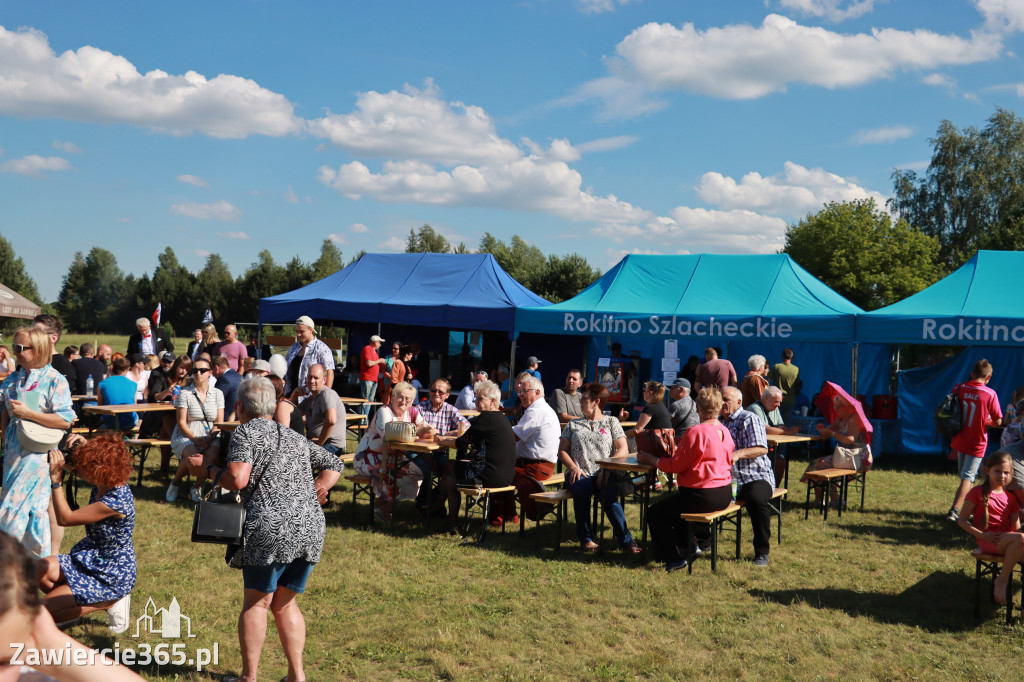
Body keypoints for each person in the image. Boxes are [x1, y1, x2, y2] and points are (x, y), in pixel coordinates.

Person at [186, 377, 344, 682]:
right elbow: (333, 463)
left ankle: (249, 678)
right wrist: (321, 486)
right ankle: (296, 676)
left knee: (257, 602)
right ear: (272, 406)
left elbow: (238, 480)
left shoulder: (244, 433)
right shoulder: (295, 436)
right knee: (285, 603)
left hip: (270, 527)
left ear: (240, 406)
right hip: (309, 525)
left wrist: (206, 470)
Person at [0, 530, 145, 681]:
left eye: (6, 661)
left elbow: (67, 518)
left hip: (103, 572)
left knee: (47, 597)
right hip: (89, 565)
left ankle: (108, 601)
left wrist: (50, 641)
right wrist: (52, 642)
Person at [39, 433, 134, 632]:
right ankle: (64, 608)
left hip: (109, 573)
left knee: (39, 611)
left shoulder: (116, 500)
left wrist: (56, 481)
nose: (76, 467)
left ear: (98, 470)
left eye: (83, 464)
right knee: (38, 570)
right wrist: (86, 445)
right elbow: (102, 458)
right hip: (89, 558)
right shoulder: (107, 480)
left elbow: (65, 519)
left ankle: (110, 601)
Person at [641, 387, 735, 572]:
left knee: (655, 513)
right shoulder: (725, 431)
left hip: (702, 495)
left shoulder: (695, 432)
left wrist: (652, 459)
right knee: (677, 508)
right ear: (718, 409)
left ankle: (674, 558)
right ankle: (690, 546)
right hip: (725, 492)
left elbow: (676, 466)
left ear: (697, 409)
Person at [0, 327, 74, 560]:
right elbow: (4, 409)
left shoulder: (55, 380)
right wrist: (4, 433)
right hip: (13, 450)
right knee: (13, 499)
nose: (15, 352)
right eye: (14, 347)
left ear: (39, 349)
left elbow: (64, 420)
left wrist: (29, 414)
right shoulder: (12, 378)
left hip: (38, 454)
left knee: (18, 503)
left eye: (20, 348)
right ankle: (31, 565)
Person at [558, 382, 638, 554]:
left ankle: (626, 540)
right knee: (583, 489)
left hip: (605, 472)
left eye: (584, 398)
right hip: (579, 472)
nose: (580, 401)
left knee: (609, 496)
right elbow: (562, 451)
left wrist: (606, 468)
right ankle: (586, 538)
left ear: (596, 401)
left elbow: (622, 448)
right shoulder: (574, 425)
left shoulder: (611, 422)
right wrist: (573, 467)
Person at [434, 380, 515, 535]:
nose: (475, 402)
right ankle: (445, 516)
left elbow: (462, 443)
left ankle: (440, 511)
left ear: (492, 401)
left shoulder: (486, 418)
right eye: (475, 398)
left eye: (479, 399)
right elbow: (470, 436)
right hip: (506, 476)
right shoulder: (501, 418)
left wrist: (442, 440)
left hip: (490, 476)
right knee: (451, 475)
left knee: (449, 467)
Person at [353, 381, 436, 524]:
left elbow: (428, 428)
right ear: (392, 397)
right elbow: (389, 435)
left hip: (394, 458)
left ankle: (379, 506)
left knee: (420, 473)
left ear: (411, 403)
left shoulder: (411, 412)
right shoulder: (384, 411)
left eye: (408, 399)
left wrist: (426, 431)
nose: (403, 402)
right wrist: (417, 432)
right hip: (369, 457)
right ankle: (384, 511)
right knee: (399, 475)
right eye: (400, 397)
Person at [956, 450, 1024, 606]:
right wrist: (982, 535)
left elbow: (1017, 529)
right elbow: (962, 520)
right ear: (987, 470)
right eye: (997, 471)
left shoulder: (1011, 498)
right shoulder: (976, 493)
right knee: (1020, 539)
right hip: (989, 540)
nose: (1002, 476)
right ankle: (1002, 579)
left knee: (1020, 538)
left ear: (1012, 473)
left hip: (1008, 541)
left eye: (1006, 472)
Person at [720, 386, 773, 567]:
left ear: (739, 402)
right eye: (719, 399)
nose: (721, 403)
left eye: (725, 399)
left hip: (755, 475)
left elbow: (762, 448)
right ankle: (702, 542)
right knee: (705, 494)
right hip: (728, 478)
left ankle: (761, 552)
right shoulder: (718, 422)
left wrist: (738, 454)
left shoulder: (749, 418)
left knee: (756, 499)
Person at [946, 359, 1002, 523]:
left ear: (972, 373)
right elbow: (998, 421)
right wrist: (986, 420)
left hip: (959, 438)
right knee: (968, 477)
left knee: (966, 476)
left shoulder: (960, 388)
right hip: (976, 442)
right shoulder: (990, 394)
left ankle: (965, 510)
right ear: (988, 377)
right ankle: (955, 511)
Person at [165, 358, 224, 504]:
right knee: (193, 457)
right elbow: (181, 423)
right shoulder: (184, 393)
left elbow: (219, 422)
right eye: (195, 370)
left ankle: (197, 486)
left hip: (211, 433)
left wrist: (210, 437)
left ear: (210, 373)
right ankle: (176, 482)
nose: (198, 373)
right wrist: (194, 438)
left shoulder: (217, 393)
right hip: (187, 432)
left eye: (202, 370)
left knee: (211, 455)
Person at [802, 392, 873, 506]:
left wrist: (833, 433)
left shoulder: (855, 418)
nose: (835, 409)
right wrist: (822, 429)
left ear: (848, 406)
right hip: (846, 456)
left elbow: (849, 439)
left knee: (817, 465)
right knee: (816, 465)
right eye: (834, 406)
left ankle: (832, 499)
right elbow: (827, 433)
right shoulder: (841, 419)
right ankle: (824, 499)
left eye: (838, 406)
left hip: (859, 457)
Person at [509, 375, 560, 524]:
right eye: (520, 392)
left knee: (498, 473)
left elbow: (514, 436)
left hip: (534, 467)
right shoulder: (544, 409)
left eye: (524, 391)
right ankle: (509, 516)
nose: (521, 396)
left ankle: (502, 518)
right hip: (541, 466)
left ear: (537, 392)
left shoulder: (535, 410)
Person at [414, 379, 470, 512]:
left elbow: (466, 428)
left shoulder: (451, 410)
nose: (436, 393)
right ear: (429, 391)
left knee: (452, 471)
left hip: (438, 453)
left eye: (440, 391)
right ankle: (423, 504)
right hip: (417, 451)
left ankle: (434, 501)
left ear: (447, 395)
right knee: (427, 469)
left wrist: (444, 434)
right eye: (433, 390)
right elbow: (410, 429)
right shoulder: (419, 408)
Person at [748, 386, 800, 485]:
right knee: (777, 462)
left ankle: (774, 490)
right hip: (756, 450)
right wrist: (788, 432)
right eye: (777, 401)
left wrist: (785, 429)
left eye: (780, 402)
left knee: (781, 462)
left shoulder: (774, 408)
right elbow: (764, 429)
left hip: (770, 448)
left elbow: (781, 425)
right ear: (766, 398)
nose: (779, 405)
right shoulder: (754, 408)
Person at [283, 316, 335, 403]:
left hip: (310, 398)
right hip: (291, 395)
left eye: (301, 331)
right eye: (297, 331)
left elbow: (330, 373)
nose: (298, 334)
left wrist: (325, 397)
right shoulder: (294, 347)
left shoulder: (322, 348)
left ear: (311, 330)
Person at [299, 364, 347, 455]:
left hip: (331, 445)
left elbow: (331, 420)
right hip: (318, 443)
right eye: (309, 377)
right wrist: (294, 395)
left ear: (324, 380)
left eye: (316, 378)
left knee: (297, 456)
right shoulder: (310, 399)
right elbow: (293, 415)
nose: (312, 381)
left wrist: (319, 443)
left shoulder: (327, 394)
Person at [32, 315, 76, 395]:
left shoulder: (63, 365)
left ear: (53, 338)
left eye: (36, 333)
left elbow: (61, 399)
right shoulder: (27, 361)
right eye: (30, 332)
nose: (30, 337)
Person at [96, 358, 137, 431]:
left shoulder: (102, 384)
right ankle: (134, 439)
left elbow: (100, 405)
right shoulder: (133, 384)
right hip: (129, 421)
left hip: (108, 421)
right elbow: (134, 404)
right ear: (125, 371)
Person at [769, 348, 800, 421]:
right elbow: (797, 384)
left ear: (782, 356)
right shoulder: (796, 369)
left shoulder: (777, 367)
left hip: (776, 399)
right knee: (787, 426)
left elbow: (767, 381)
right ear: (792, 357)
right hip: (790, 400)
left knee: (774, 423)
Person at [359, 335, 387, 414]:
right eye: (379, 342)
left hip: (373, 379)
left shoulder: (374, 352)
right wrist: (379, 361)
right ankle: (362, 420)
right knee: (365, 400)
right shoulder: (367, 348)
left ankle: (365, 419)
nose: (380, 344)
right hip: (367, 378)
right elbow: (368, 363)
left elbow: (373, 363)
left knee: (370, 400)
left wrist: (381, 362)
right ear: (375, 342)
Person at [211, 355, 242, 420]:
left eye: (212, 370)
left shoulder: (224, 379)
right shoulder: (238, 376)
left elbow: (213, 400)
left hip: (226, 421)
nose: (212, 375)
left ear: (216, 367)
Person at [379, 342, 403, 408]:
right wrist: (391, 377)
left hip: (399, 382)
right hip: (388, 381)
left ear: (400, 349)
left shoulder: (402, 358)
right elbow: (383, 371)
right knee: (388, 398)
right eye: (392, 348)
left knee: (398, 398)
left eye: (395, 349)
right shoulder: (387, 357)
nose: (393, 350)